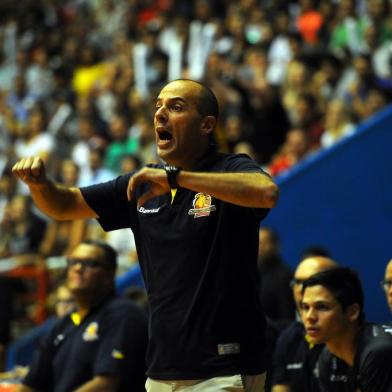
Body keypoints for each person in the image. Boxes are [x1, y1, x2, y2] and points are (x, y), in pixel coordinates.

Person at [12, 78, 279, 391]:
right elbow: (64, 204)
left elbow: (267, 192)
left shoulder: (229, 168)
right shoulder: (142, 184)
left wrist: (179, 179)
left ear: (207, 125)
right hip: (162, 370)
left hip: (224, 368)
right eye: (158, 107)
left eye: (176, 107)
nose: (160, 114)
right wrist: (39, 185)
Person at [16, 240, 148, 392]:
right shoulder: (65, 322)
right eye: (73, 261)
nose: (78, 268)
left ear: (109, 274)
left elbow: (105, 385)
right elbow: (31, 383)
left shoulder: (124, 315)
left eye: (90, 263)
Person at [302, 267, 392, 392]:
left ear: (352, 312)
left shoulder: (378, 351)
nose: (309, 317)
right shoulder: (327, 357)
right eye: (305, 307)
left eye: (322, 307)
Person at [270, 255, 348, 392]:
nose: (302, 289)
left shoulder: (354, 339)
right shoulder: (287, 339)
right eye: (298, 282)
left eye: (312, 281)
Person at [257, 227, 295, 322]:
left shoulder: (285, 276)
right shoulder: (251, 274)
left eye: (263, 243)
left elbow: (287, 317)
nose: (259, 247)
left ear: (276, 246)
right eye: (257, 242)